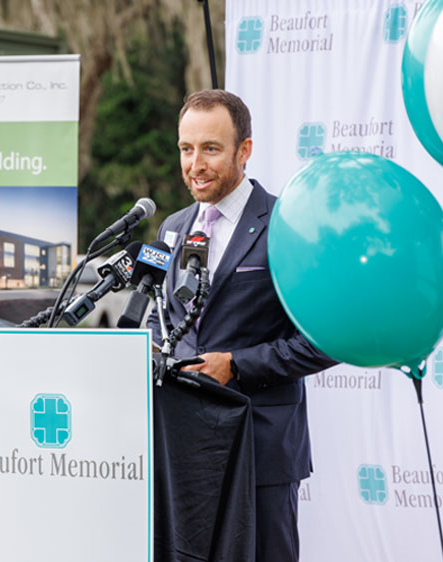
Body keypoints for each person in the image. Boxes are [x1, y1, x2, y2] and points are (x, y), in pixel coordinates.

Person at [147, 89, 337, 562]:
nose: (196, 164)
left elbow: (325, 339)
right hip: (183, 448)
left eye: (210, 148)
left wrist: (237, 365)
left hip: (261, 446)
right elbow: (158, 317)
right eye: (186, 149)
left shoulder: (288, 225)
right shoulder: (172, 227)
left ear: (244, 151)